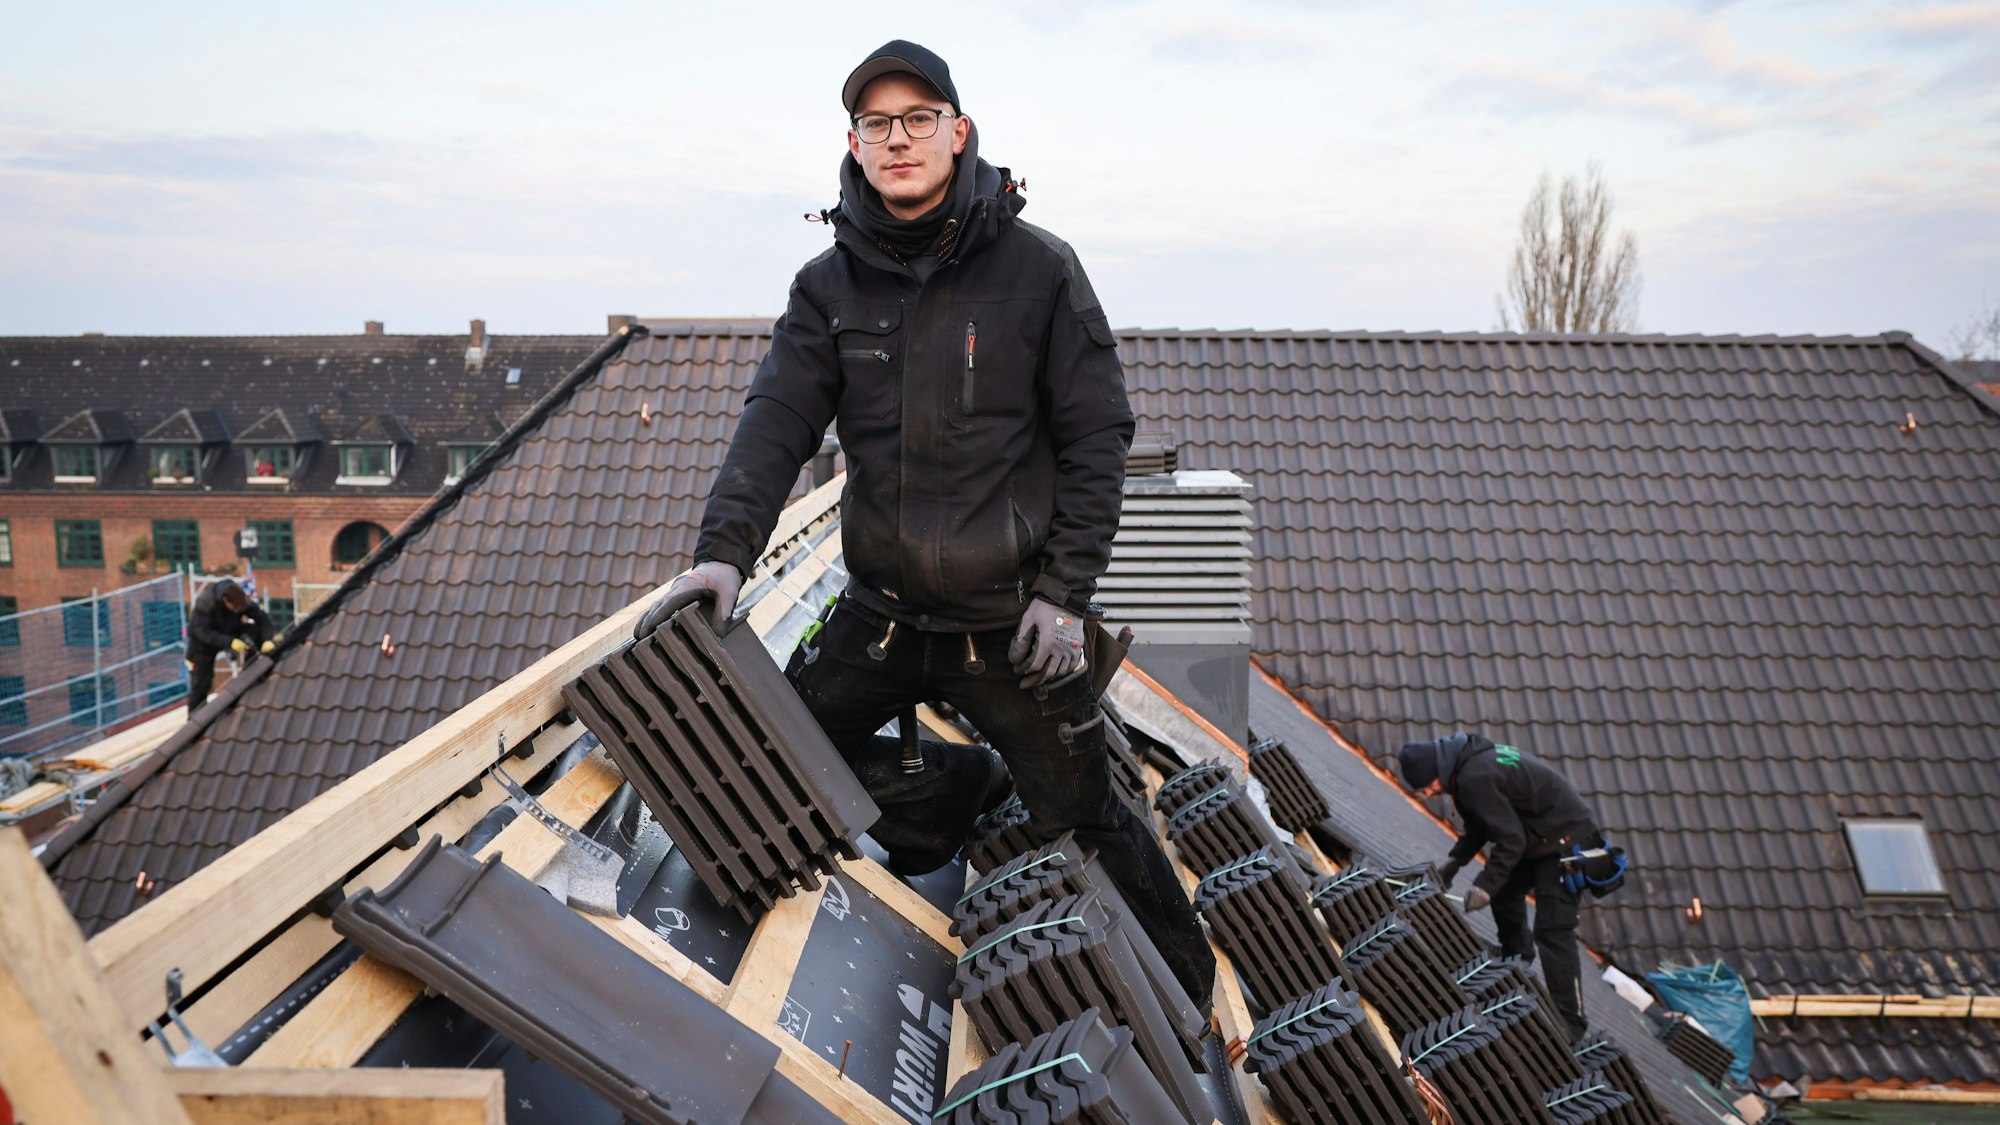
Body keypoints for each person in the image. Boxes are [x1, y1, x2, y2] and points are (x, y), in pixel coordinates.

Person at [636, 40, 1215, 1008]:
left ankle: (1195, 1013)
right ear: (853, 145)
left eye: (915, 120)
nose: (896, 139)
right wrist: (720, 556)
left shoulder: (1036, 271)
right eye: (876, 124)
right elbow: (775, 423)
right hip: (884, 616)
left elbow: (1096, 437)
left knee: (1088, 817)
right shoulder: (827, 286)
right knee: (764, 766)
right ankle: (950, 790)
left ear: (957, 131)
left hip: (1010, 627)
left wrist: (1066, 597)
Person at [1398, 732, 1606, 1040]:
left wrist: (1483, 886)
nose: (1429, 792)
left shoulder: (1473, 777)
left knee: (1552, 930)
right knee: (1506, 892)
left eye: (1426, 785)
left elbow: (1511, 839)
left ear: (1434, 770)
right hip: (1541, 836)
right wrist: (1454, 864)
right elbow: (1483, 824)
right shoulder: (1467, 766)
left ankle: (1571, 1026)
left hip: (1567, 841)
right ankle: (1517, 955)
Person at [185, 579, 274, 713]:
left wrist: (268, 639)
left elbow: (261, 618)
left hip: (230, 631)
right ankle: (195, 717)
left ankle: (251, 670)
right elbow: (201, 632)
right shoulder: (206, 602)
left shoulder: (240, 600)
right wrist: (229, 642)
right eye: (235, 609)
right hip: (203, 644)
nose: (238, 611)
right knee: (201, 684)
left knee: (254, 631)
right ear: (226, 600)